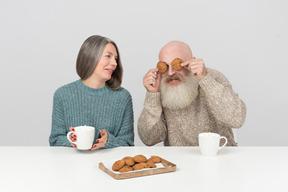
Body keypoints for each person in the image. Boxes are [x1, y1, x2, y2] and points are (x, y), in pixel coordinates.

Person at [137, 40, 246, 146]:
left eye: (177, 64)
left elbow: (236, 119)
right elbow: (149, 139)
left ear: (191, 61)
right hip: (179, 160)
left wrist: (205, 79)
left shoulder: (214, 77)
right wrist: (152, 95)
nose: (170, 72)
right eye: (165, 67)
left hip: (219, 157)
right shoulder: (161, 85)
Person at [49, 35, 134, 150]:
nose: (114, 63)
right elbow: (56, 140)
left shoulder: (123, 97)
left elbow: (127, 143)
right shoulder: (62, 95)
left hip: (108, 164)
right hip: (72, 164)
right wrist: (73, 141)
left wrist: (109, 141)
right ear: (89, 59)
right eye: (108, 56)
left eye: (116, 58)